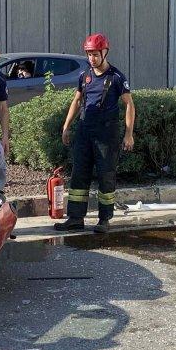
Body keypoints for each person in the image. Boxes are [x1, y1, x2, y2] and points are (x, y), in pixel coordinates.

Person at [54, 33, 136, 234]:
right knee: (79, 174)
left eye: (95, 54)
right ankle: (75, 218)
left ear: (104, 52)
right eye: (89, 54)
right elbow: (77, 101)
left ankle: (104, 219)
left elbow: (129, 105)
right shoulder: (85, 76)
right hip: (84, 131)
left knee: (106, 175)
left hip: (106, 134)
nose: (92, 58)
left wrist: (129, 134)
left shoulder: (116, 77)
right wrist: (66, 126)